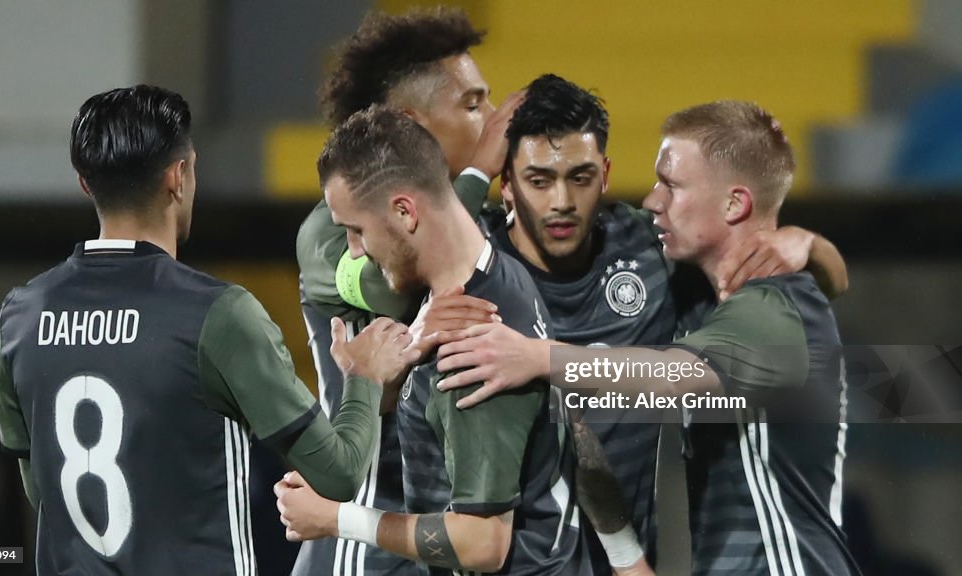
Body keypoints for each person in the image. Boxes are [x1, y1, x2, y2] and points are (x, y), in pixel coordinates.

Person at [410, 73, 848, 572]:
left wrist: (811, 246)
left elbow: (683, 373)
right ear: (505, 183)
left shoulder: (654, 254)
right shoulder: (464, 265)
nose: (560, 202)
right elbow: (383, 268)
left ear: (604, 174)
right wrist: (470, 175)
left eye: (579, 177)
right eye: (538, 180)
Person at [0, 85, 413, 575]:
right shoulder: (218, 315)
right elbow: (338, 474)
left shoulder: (20, 314)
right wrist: (364, 379)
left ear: (85, 183)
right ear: (180, 175)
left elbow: (40, 488)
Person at [278, 105, 597, 575]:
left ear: (405, 212)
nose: (355, 250)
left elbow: (482, 544)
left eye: (357, 230)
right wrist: (375, 377)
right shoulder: (490, 274)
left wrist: (336, 518)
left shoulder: (471, 343)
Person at [294, 8, 518, 574]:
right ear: (410, 124)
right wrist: (473, 177)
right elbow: (397, 285)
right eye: (472, 105)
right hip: (358, 537)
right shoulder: (330, 228)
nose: (494, 123)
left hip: (441, 537)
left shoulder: (487, 226)